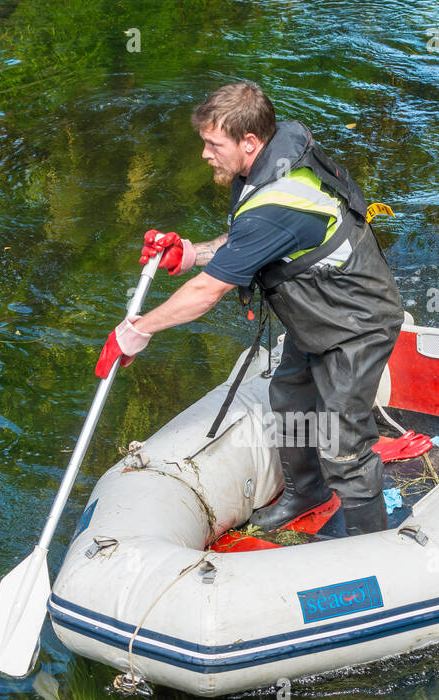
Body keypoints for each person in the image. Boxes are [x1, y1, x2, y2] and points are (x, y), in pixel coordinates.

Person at [95, 81, 403, 536]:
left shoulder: (275, 204)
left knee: (343, 443)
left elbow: (208, 292)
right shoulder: (269, 168)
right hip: (316, 314)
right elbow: (246, 244)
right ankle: (307, 492)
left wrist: (136, 330)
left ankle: (369, 543)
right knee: (289, 396)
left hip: (356, 324)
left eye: (213, 144)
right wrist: (188, 254)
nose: (204, 154)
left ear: (250, 142)